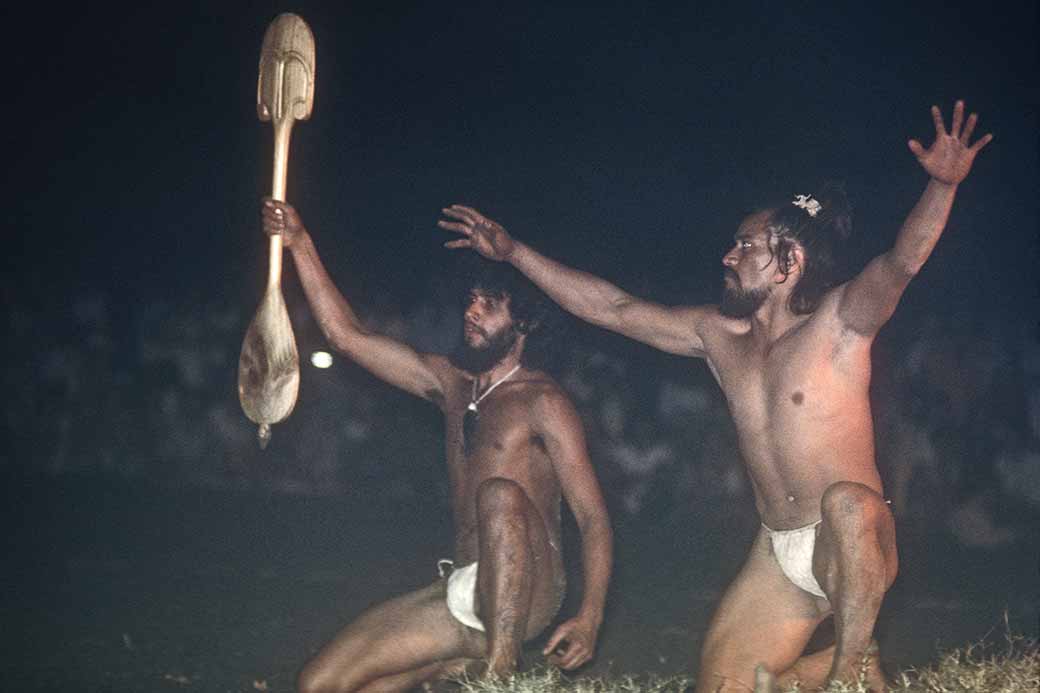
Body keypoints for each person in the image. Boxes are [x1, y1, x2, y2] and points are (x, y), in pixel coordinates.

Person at [438, 101, 991, 691]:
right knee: (722, 688)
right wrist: (514, 253)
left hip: (853, 540)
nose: (728, 256)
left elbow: (901, 262)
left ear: (789, 261)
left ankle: (850, 667)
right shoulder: (717, 337)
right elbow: (614, 308)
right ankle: (832, 668)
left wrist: (941, 186)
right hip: (778, 549)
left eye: (745, 246)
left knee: (849, 502)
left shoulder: (840, 321)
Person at [261, 199, 613, 692]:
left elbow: (592, 517)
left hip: (530, 591)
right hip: (465, 587)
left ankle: (499, 674)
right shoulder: (450, 383)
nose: (472, 311)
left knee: (499, 493)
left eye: (490, 304)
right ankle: (458, 665)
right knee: (319, 683)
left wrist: (590, 616)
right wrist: (300, 243)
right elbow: (348, 337)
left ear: (525, 323)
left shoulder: (544, 401)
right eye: (471, 299)